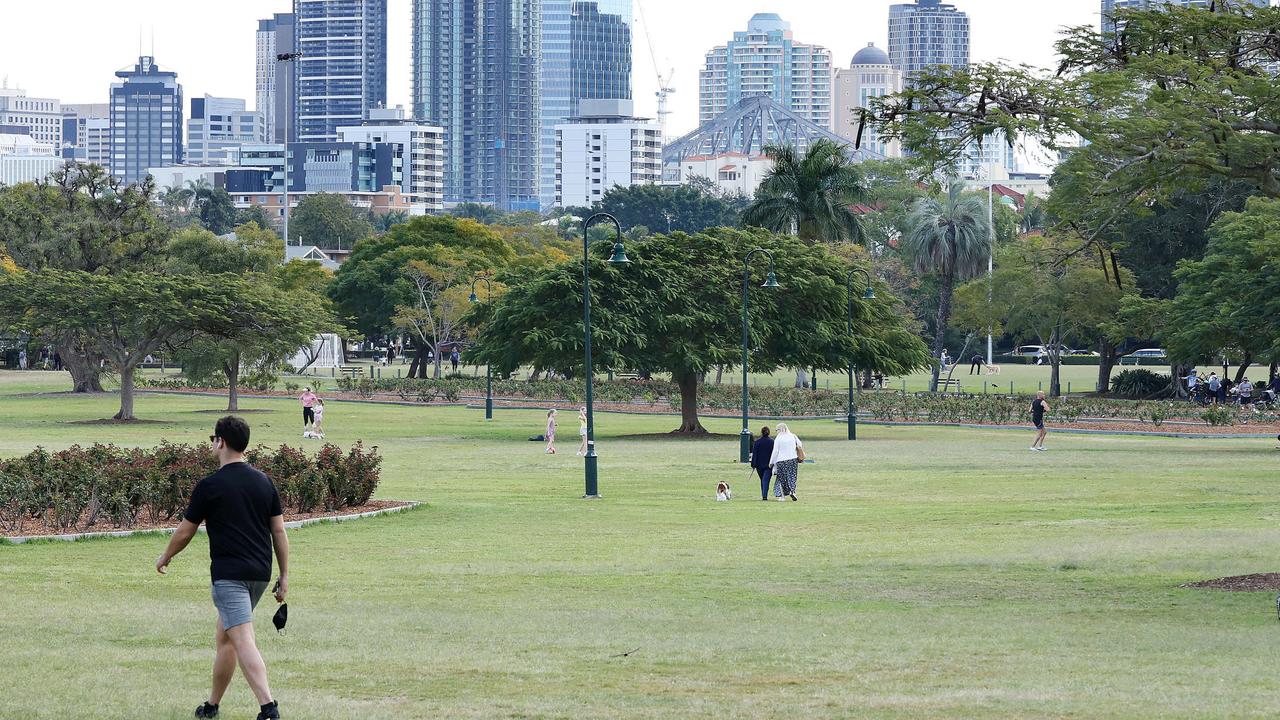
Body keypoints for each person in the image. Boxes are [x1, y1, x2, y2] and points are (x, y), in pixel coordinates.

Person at [155, 416, 288, 720]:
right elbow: (278, 532)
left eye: (212, 438)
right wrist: (284, 574)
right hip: (259, 574)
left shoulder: (210, 486)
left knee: (241, 639)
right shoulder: (263, 482)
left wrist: (165, 556)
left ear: (221, 442)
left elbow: (186, 530)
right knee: (226, 638)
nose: (212, 444)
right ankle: (212, 705)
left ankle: (268, 708)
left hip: (230, 577)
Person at [768, 422, 803, 502]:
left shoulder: (778, 438)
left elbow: (775, 451)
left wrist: (771, 462)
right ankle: (792, 491)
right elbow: (800, 445)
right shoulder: (793, 436)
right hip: (793, 459)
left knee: (781, 479)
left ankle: (782, 496)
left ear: (779, 430)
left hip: (781, 460)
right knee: (792, 477)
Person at [750, 426, 776, 501]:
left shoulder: (757, 442)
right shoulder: (772, 442)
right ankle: (764, 495)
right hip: (769, 465)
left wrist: (753, 464)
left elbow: (755, 454)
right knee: (766, 480)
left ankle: (764, 495)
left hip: (759, 465)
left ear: (761, 432)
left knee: (763, 479)